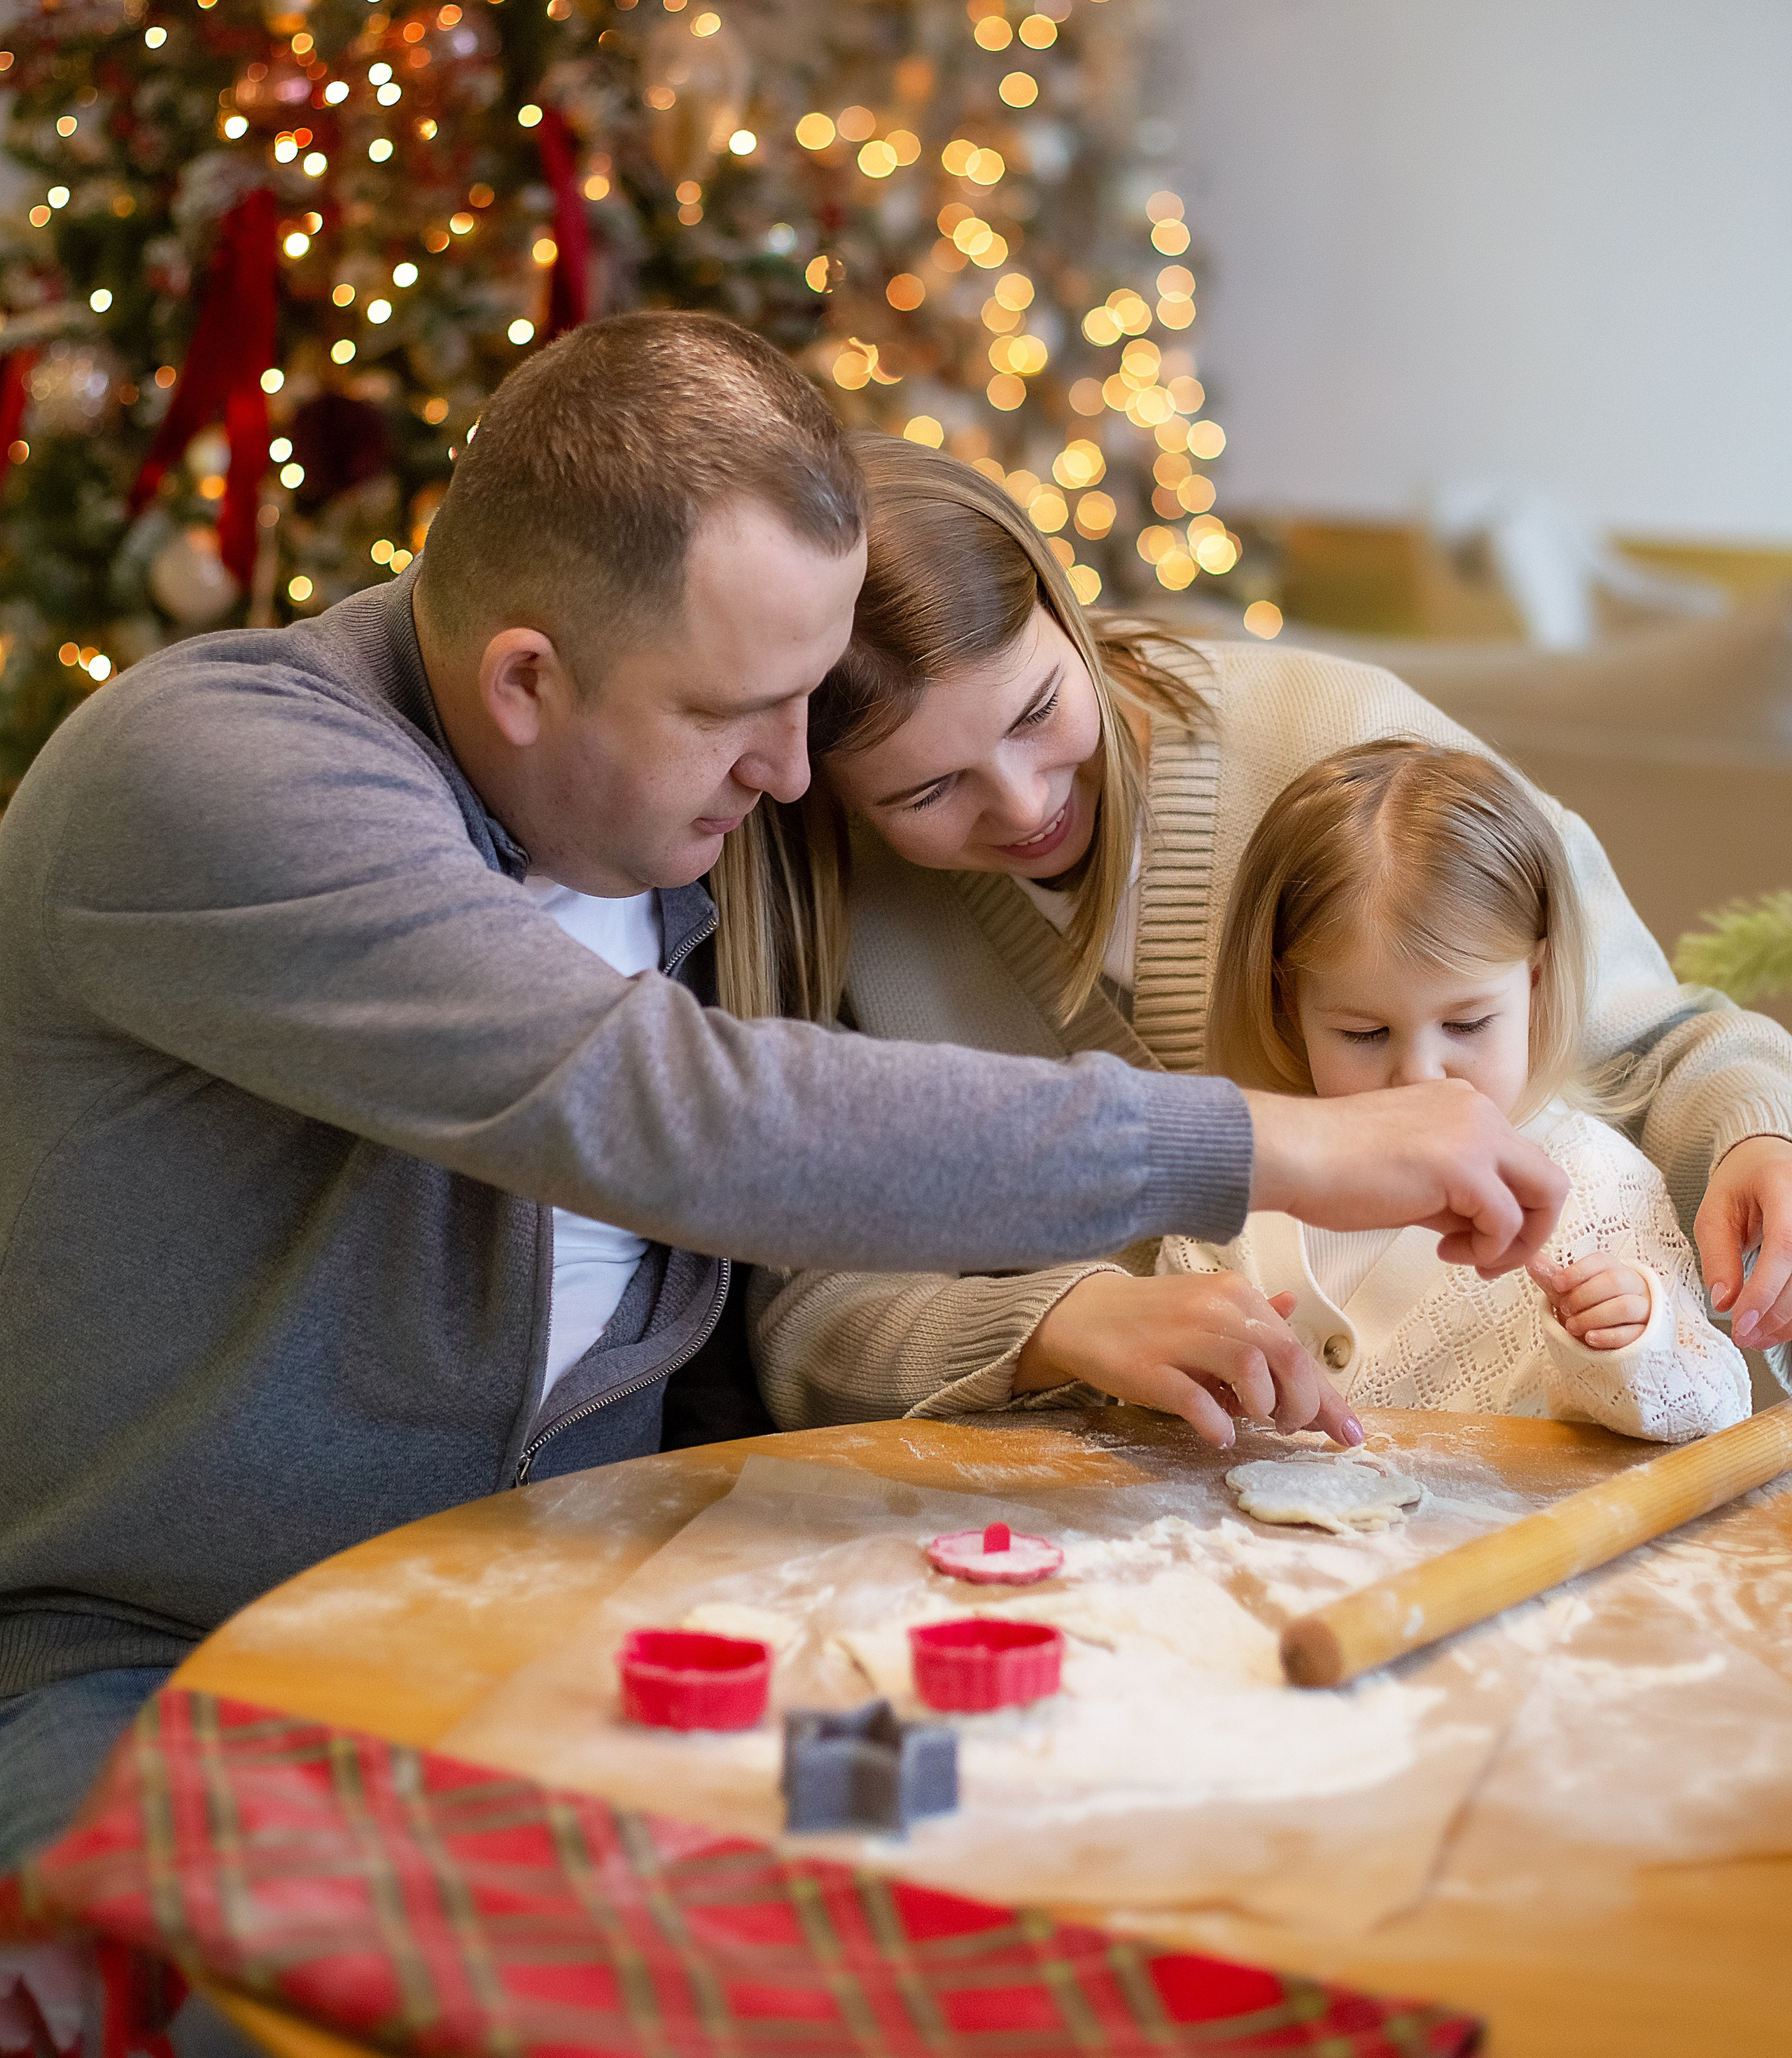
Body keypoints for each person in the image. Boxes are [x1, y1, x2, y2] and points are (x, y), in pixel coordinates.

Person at [0, 314, 1567, 1872]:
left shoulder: (678, 829)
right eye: (734, 709)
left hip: (596, 1625)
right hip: (178, 1655)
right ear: (527, 678)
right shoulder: (216, 775)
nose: (791, 775)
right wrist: (1266, 1140)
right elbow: (682, 1116)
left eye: (808, 703)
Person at [743, 437, 1792, 1438]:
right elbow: (807, 1313)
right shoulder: (825, 896)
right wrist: (1059, 1328)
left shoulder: (1351, 752)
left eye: (1037, 712)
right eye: (927, 789)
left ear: (1064, 610)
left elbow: (1663, 1046)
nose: (1022, 806)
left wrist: (1758, 1132)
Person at [1171, 737, 1751, 1437]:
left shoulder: (1595, 1186)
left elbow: (1713, 1415)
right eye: (1363, 1034)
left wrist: (1635, 1335)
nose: (1419, 1077)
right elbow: (1156, 1392)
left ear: (1533, 982)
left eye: (1468, 1024)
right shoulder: (1238, 1174)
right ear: (1286, 1005)